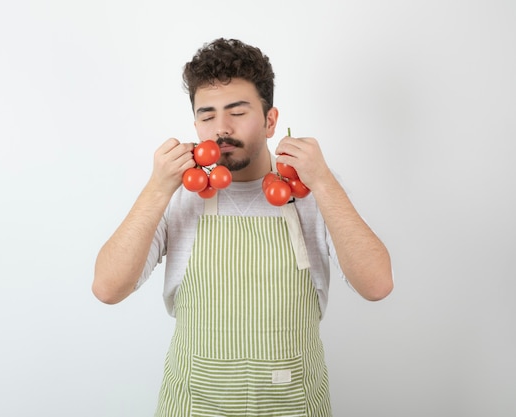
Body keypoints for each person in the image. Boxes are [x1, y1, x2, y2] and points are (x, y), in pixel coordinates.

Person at [93, 38, 393, 417]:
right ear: (195, 124)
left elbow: (378, 285)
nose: (221, 129)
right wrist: (156, 189)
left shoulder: (312, 190)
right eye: (207, 115)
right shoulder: (177, 196)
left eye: (237, 112)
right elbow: (107, 289)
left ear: (270, 121)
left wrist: (325, 182)